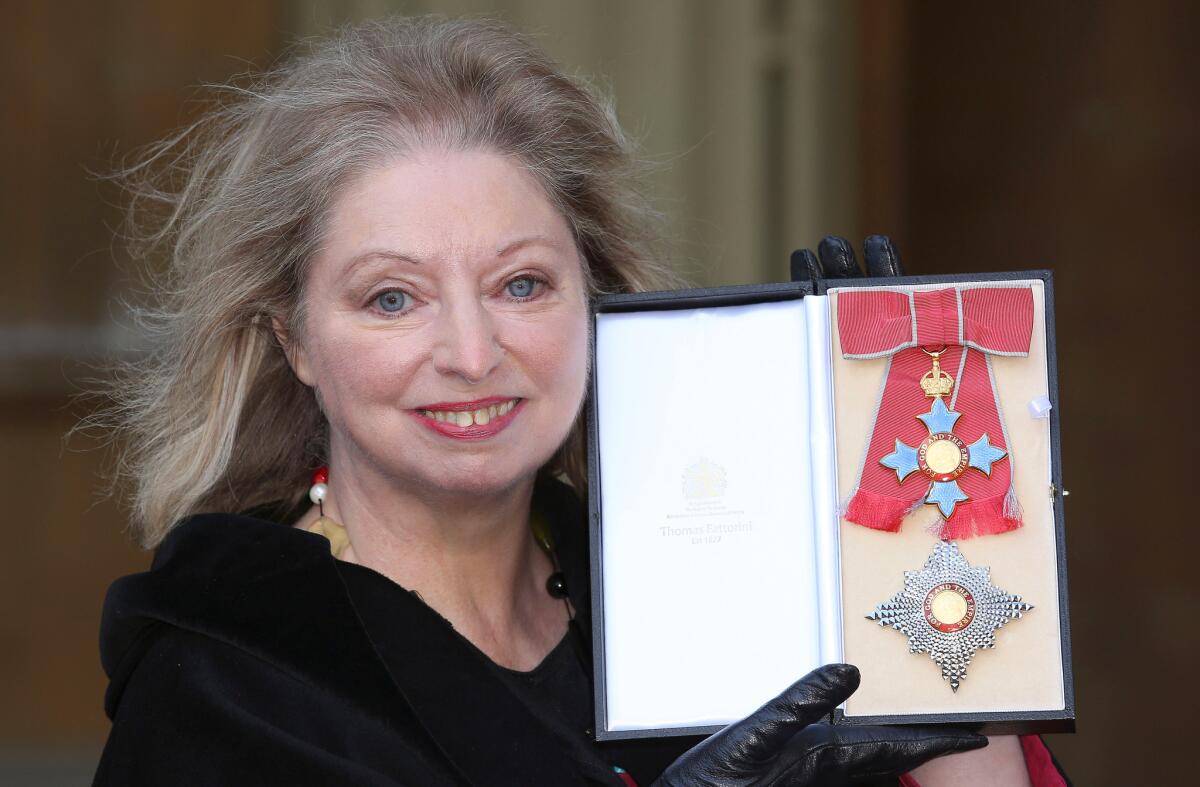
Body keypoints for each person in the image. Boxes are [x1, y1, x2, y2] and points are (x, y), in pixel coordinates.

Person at [93, 16, 1068, 786]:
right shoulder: (228, 686)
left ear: (596, 299)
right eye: (393, 297)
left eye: (522, 285)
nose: (473, 353)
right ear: (294, 341)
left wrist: (934, 564)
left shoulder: (705, 593)